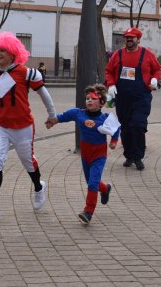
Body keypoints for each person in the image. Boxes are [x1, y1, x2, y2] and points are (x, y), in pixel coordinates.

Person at [0, 32, 56, 220]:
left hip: (23, 126)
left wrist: (52, 115)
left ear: (13, 53)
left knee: (28, 162)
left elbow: (44, 94)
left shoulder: (27, 73)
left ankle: (39, 187)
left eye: (3, 50)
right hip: (0, 126)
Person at [46, 84, 119, 224]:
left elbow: (116, 128)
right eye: (87, 98)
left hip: (99, 155)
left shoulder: (106, 118)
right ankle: (105, 188)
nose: (89, 101)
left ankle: (88, 212)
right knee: (92, 182)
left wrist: (114, 141)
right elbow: (63, 117)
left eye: (93, 98)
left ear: (102, 103)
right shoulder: (78, 113)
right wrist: (52, 121)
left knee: (92, 183)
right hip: (85, 155)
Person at [105, 27, 161, 170]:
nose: (129, 39)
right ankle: (129, 156)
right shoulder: (117, 54)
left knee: (137, 125)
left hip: (141, 97)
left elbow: (157, 69)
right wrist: (111, 84)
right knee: (125, 128)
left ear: (138, 39)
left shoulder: (147, 54)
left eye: (132, 37)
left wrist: (155, 79)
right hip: (123, 97)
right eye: (127, 37)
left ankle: (138, 157)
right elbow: (108, 71)